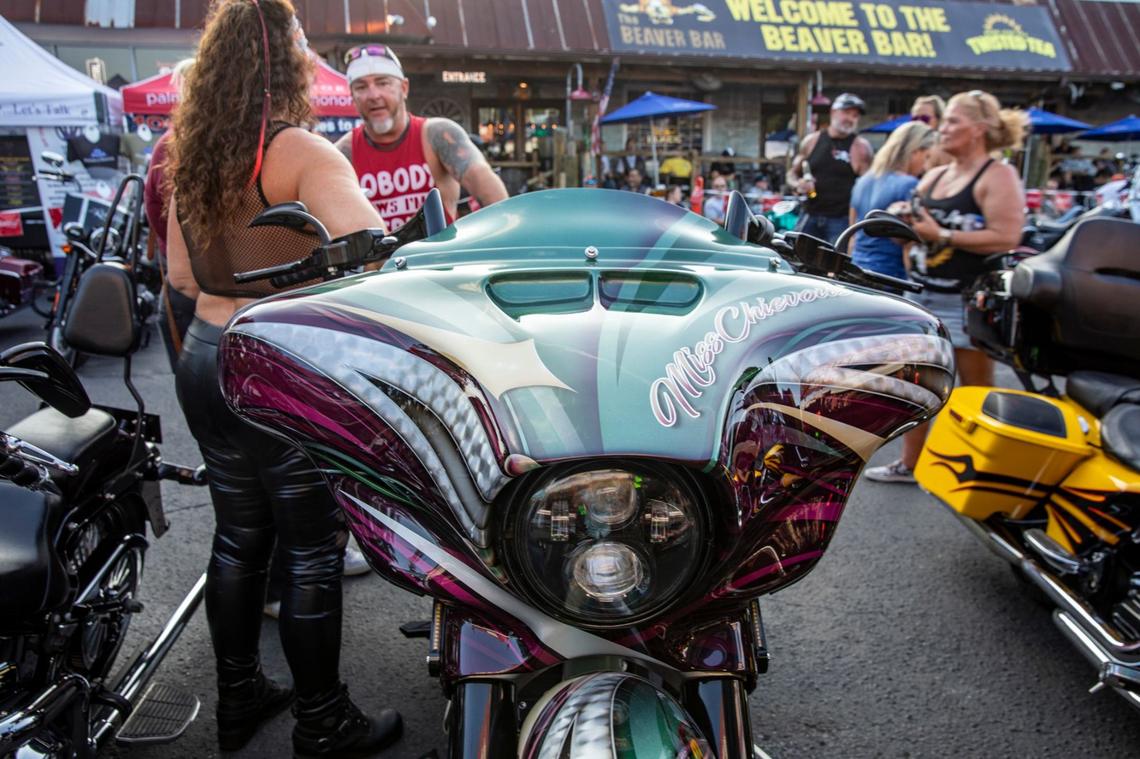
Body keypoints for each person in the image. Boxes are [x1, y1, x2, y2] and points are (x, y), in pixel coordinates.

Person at [163, 2, 401, 755]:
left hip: (203, 352)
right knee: (309, 547)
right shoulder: (299, 152)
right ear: (283, 64)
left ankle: (238, 697)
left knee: (238, 536)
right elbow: (376, 260)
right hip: (275, 361)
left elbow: (174, 272)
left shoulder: (189, 150)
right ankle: (322, 720)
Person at [865, 89, 1026, 483]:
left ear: (980, 128)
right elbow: (918, 230)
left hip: (968, 299)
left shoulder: (997, 174)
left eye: (953, 120)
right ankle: (911, 465)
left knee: (975, 390)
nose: (943, 128)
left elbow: (1007, 236)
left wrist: (944, 235)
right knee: (918, 383)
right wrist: (905, 224)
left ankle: (987, 470)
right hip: (922, 294)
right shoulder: (935, 175)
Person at [334, 43, 506, 230]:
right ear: (352, 96)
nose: (373, 95)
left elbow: (488, 189)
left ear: (404, 88)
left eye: (383, 83)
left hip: (441, 257)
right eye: (361, 87)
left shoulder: (437, 134)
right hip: (383, 260)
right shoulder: (343, 153)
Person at [848, 121, 935, 280]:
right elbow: (910, 244)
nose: (926, 166)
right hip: (890, 274)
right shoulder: (909, 184)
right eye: (927, 156)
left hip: (857, 267)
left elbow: (853, 232)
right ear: (915, 151)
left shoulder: (863, 181)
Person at [789, 92, 873, 245]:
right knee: (796, 260)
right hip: (810, 214)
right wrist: (798, 184)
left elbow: (868, 188)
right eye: (846, 113)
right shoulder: (811, 141)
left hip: (841, 220)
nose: (850, 119)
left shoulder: (861, 148)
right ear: (833, 112)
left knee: (837, 265)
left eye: (855, 115)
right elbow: (792, 174)